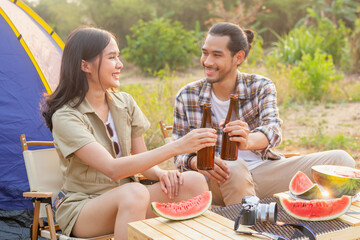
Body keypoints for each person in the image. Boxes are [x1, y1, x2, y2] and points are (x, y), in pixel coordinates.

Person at [41, 26, 217, 240]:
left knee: (194, 182)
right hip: (85, 208)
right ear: (85, 65)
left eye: (118, 56)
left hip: (132, 197)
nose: (120, 65)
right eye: (112, 57)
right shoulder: (66, 116)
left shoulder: (125, 103)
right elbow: (112, 169)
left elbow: (143, 161)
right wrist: (177, 147)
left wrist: (161, 173)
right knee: (135, 192)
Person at [172, 22, 355, 206]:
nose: (207, 61)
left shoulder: (260, 86)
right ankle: (248, 225)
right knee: (234, 166)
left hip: (263, 172)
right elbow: (176, 152)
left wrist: (247, 140)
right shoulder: (187, 95)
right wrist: (196, 162)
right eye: (205, 53)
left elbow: (273, 129)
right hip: (216, 180)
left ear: (238, 57)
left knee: (341, 159)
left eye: (217, 55)